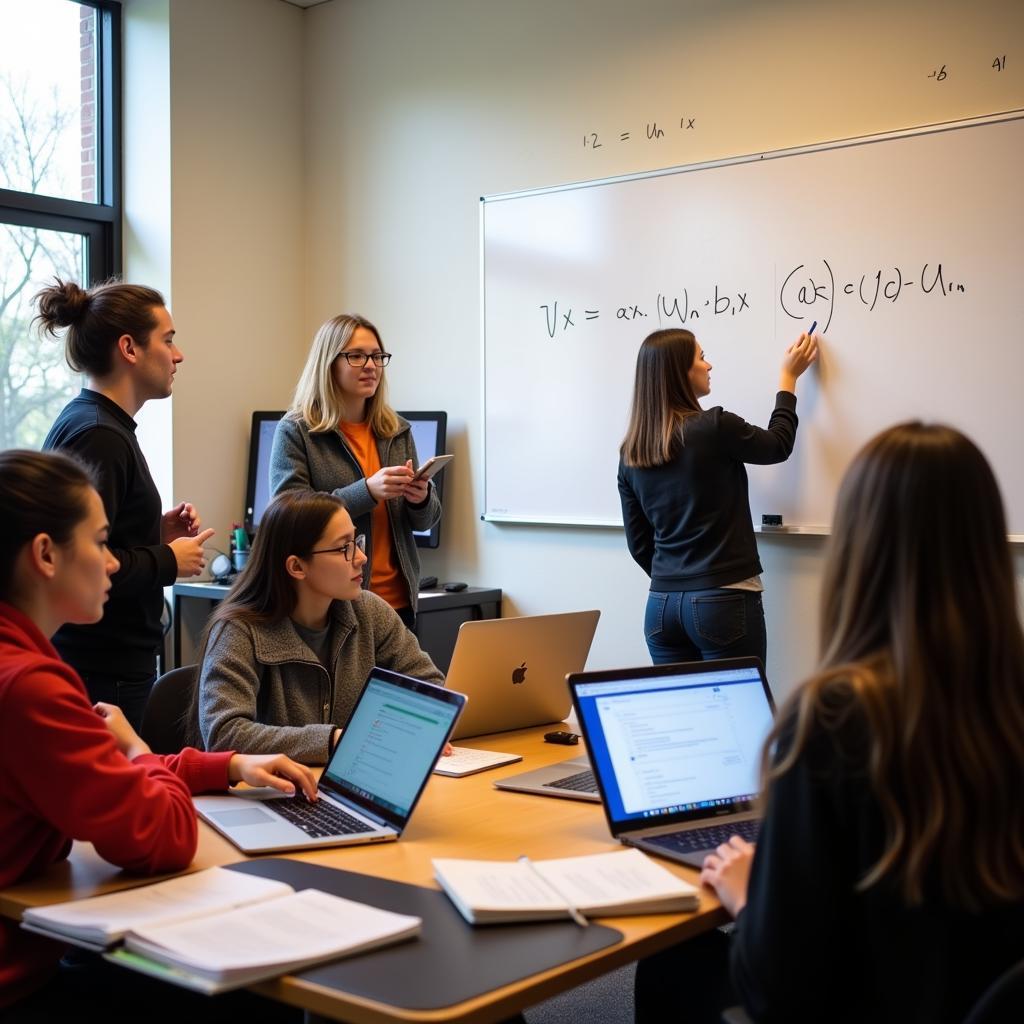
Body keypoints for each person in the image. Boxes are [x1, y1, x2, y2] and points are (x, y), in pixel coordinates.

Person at [637, 423, 1024, 1024]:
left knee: (673, 961)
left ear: (860, 550)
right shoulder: (1005, 702)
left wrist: (746, 896)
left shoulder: (836, 722)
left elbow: (780, 990)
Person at [0, 449, 316, 1021]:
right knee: (255, 990)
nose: (115, 564)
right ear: (45, 554)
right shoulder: (29, 686)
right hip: (19, 983)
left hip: (33, 939)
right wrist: (137, 748)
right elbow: (166, 835)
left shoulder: (19, 663)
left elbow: (93, 773)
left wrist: (223, 766)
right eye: (100, 543)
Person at [37, 278, 214, 731]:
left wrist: (153, 530)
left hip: (105, 664)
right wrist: (167, 561)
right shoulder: (100, 437)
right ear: (129, 348)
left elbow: (100, 537)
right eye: (168, 340)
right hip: (103, 671)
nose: (179, 355)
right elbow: (82, 561)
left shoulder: (97, 425)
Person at [191, 488, 445, 764]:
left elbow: (430, 687)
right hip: (269, 794)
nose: (361, 557)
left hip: (348, 784)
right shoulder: (239, 630)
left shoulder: (369, 611)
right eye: (344, 547)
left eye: (356, 542)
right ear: (297, 567)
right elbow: (225, 735)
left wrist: (412, 730)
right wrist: (333, 740)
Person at [617, 327, 818, 667]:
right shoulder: (713, 426)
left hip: (661, 607)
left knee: (683, 717)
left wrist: (678, 577)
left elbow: (639, 544)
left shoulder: (631, 452)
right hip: (722, 599)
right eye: (701, 357)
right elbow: (778, 445)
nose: (709, 366)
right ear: (680, 371)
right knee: (743, 717)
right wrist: (788, 376)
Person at [270, 314, 441, 629]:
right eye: (357, 356)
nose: (371, 365)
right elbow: (289, 516)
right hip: (333, 605)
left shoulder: (395, 429)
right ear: (329, 363)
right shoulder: (297, 430)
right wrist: (368, 491)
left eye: (377, 356)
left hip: (399, 604)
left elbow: (425, 520)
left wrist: (420, 499)